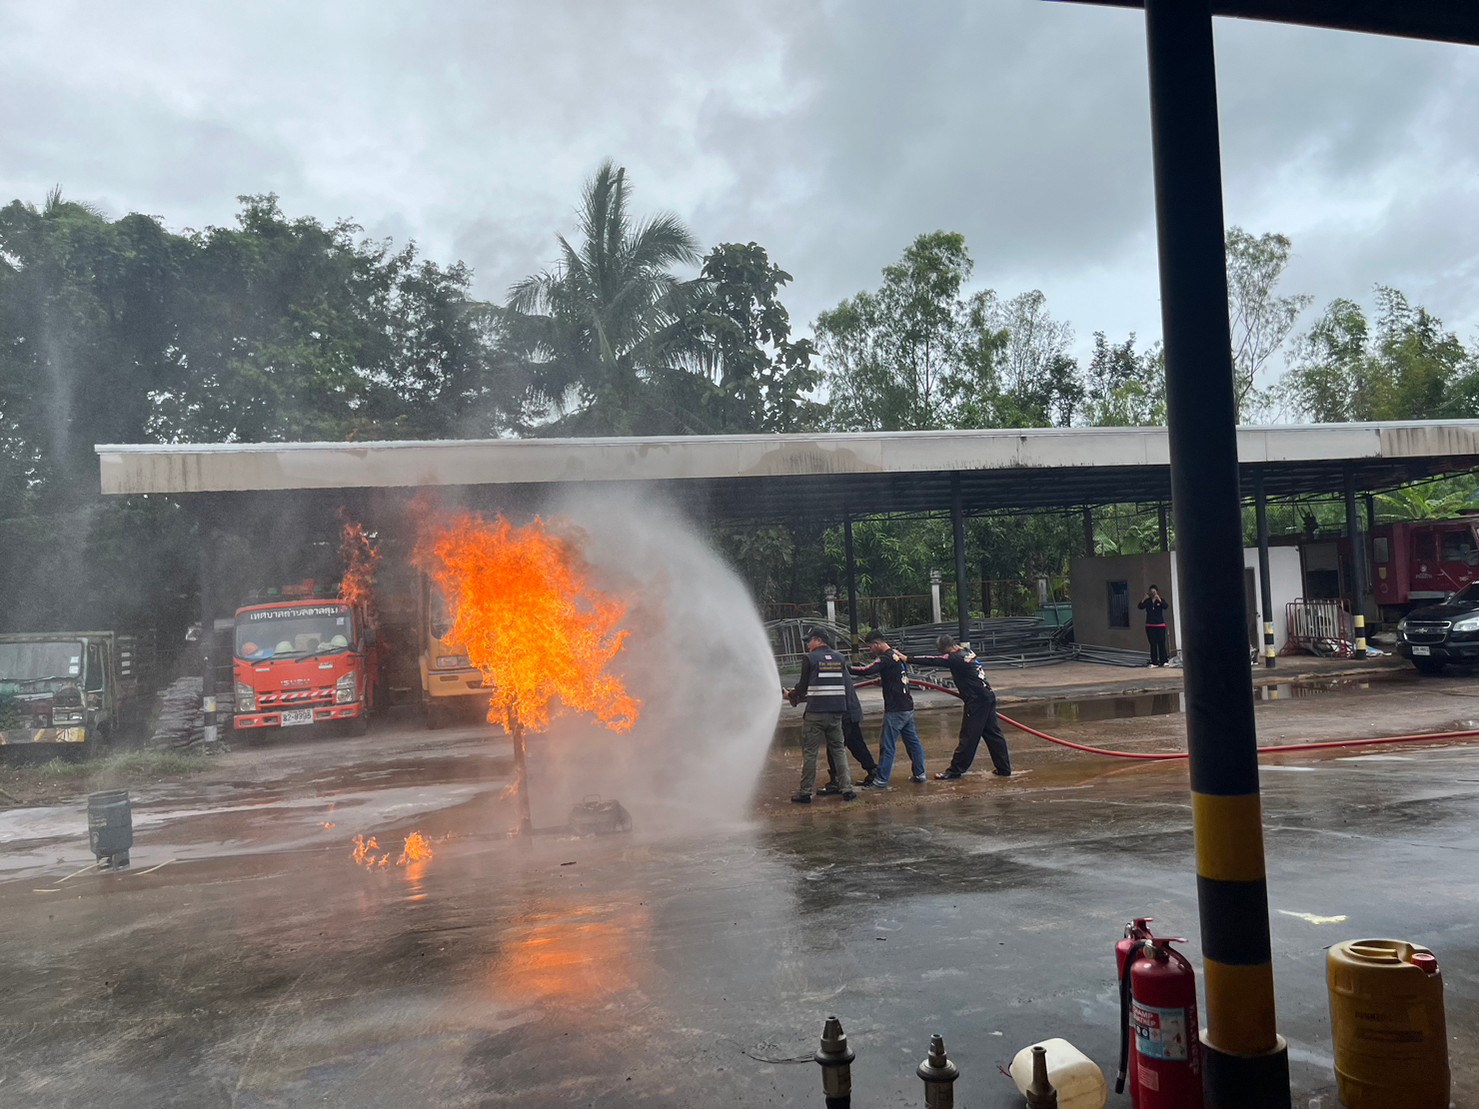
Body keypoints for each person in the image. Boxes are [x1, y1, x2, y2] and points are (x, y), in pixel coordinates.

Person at [909, 634, 1012, 779]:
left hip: (977, 701)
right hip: (987, 696)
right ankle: (1004, 768)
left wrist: (907, 658)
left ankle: (955, 770)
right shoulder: (967, 652)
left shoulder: (955, 658)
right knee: (993, 735)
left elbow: (932, 660)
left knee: (969, 736)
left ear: (947, 648)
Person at [783, 628, 858, 804]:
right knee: (839, 750)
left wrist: (791, 695)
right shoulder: (840, 658)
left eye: (809, 641)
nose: (807, 645)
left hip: (815, 714)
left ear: (818, 640)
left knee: (810, 753)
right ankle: (847, 789)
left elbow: (803, 687)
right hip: (836, 713)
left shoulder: (810, 658)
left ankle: (805, 792)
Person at [849, 630, 926, 787]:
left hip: (896, 709)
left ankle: (881, 780)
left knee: (887, 745)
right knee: (912, 742)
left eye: (870, 647)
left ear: (877, 644)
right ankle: (920, 773)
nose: (870, 650)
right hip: (907, 706)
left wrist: (845, 668)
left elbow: (866, 670)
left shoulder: (885, 658)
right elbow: (896, 676)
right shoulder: (896, 656)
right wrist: (884, 680)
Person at [1138, 585, 1170, 667]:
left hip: (1160, 625)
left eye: (1154, 592)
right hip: (1150, 625)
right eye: (1151, 592)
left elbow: (1165, 606)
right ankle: (1154, 662)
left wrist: (1159, 599)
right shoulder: (1147, 601)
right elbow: (1140, 607)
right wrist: (1144, 598)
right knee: (1153, 644)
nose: (1152, 594)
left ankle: (1164, 661)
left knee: (1161, 643)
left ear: (1157, 592)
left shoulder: (1160, 600)